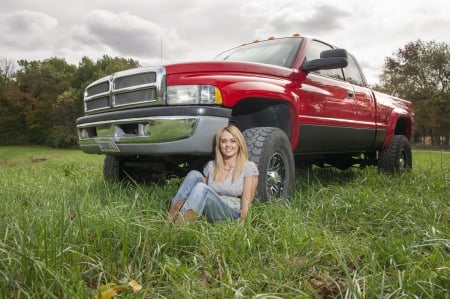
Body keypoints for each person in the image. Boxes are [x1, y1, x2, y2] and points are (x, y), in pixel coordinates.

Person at [168, 125, 259, 223]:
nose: (228, 145)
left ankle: (180, 227)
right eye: (223, 141)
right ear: (219, 144)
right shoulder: (211, 165)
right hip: (210, 209)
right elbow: (201, 194)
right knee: (194, 174)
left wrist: (242, 225)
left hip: (231, 214)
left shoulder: (248, 167)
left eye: (233, 141)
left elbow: (247, 202)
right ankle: (170, 218)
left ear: (239, 143)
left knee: (201, 187)